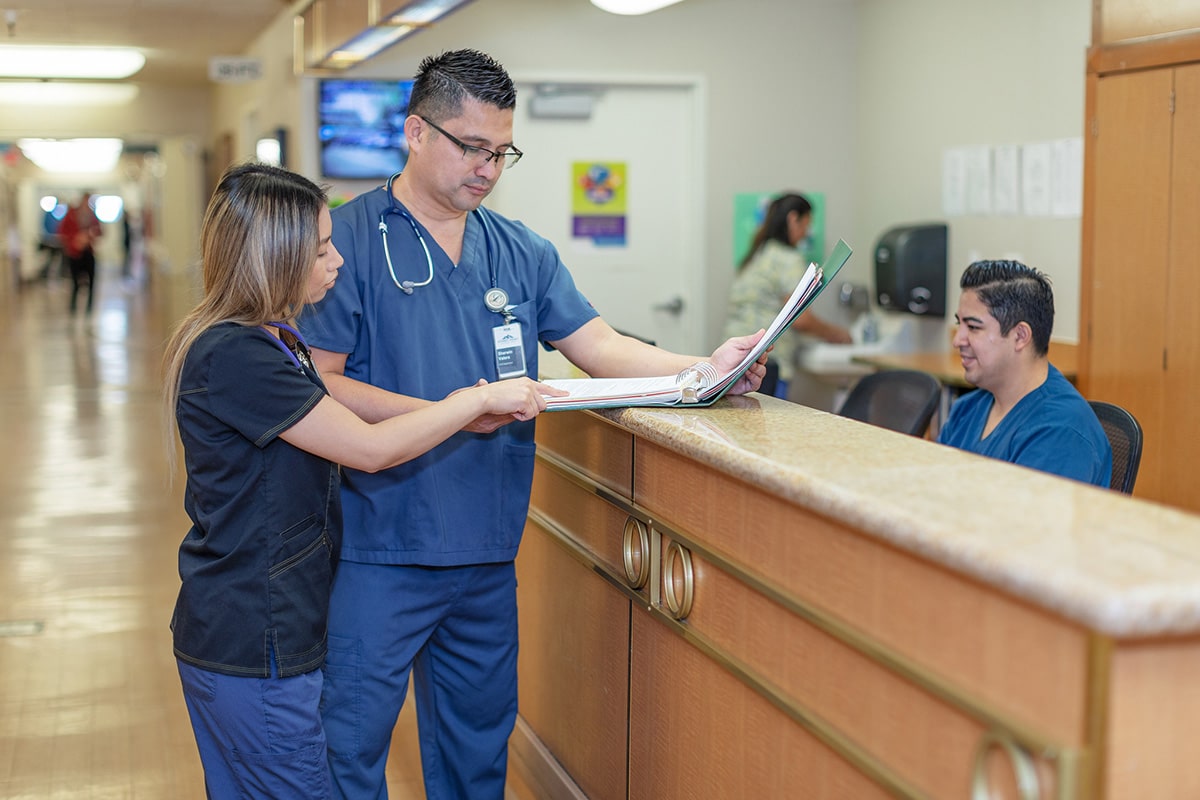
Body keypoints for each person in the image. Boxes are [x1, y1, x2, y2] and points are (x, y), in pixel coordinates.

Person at [303, 48, 768, 800]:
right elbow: (321, 383)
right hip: (377, 546)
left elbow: (602, 348)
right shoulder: (346, 243)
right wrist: (456, 413)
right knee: (347, 750)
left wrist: (705, 368)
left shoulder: (517, 251)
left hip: (486, 550)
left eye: (501, 152)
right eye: (470, 147)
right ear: (416, 132)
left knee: (477, 754)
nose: (487, 169)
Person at [160, 163, 554, 799]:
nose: (338, 259)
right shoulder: (237, 355)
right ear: (275, 259)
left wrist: (454, 412)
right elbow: (367, 450)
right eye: (320, 249)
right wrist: (469, 404)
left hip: (250, 634)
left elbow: (345, 413)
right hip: (255, 639)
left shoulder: (267, 342)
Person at [937, 259, 1112, 487]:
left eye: (973, 327)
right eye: (959, 324)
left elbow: (1024, 521)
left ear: (1020, 336)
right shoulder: (967, 409)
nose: (957, 340)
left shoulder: (1061, 432)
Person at [723, 192, 852, 399]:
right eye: (806, 225)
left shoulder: (758, 253)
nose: (806, 233)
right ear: (793, 219)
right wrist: (836, 334)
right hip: (764, 365)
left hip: (734, 359)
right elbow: (801, 319)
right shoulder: (788, 259)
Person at [57, 191, 102, 315]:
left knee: (92, 282)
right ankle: (73, 308)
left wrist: (90, 236)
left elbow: (99, 231)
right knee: (75, 282)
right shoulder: (71, 214)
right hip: (75, 253)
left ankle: (89, 309)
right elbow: (62, 233)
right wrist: (75, 240)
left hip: (88, 252)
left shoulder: (92, 216)